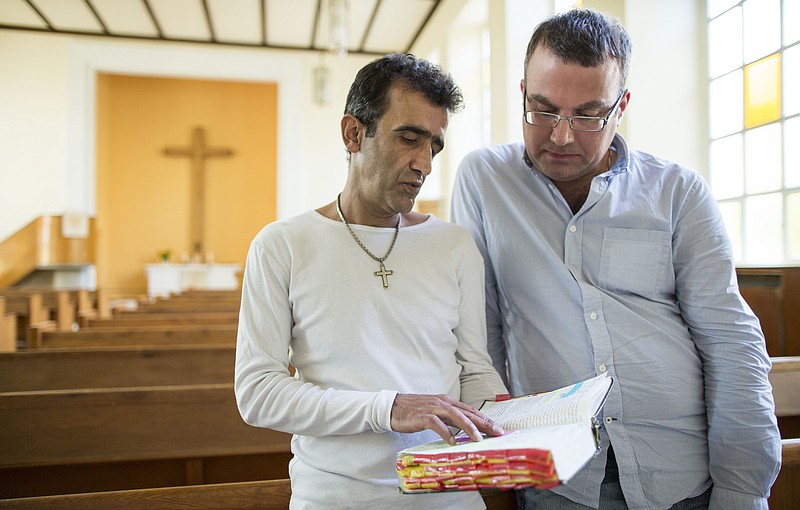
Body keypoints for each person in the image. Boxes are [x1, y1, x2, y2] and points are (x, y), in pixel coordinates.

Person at [450, 8, 781, 510]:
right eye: (542, 109)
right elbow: (482, 335)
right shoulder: (485, 180)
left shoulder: (677, 191)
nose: (561, 135)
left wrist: (742, 488)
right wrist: (498, 477)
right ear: (522, 93)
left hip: (680, 474)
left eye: (587, 115)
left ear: (621, 105)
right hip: (558, 481)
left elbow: (730, 339)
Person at [234, 53, 507, 510]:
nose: (424, 163)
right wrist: (388, 408)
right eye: (409, 139)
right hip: (337, 497)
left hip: (449, 497)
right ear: (354, 133)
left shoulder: (454, 246)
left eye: (434, 146)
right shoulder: (282, 245)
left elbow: (474, 369)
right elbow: (258, 393)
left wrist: (511, 419)